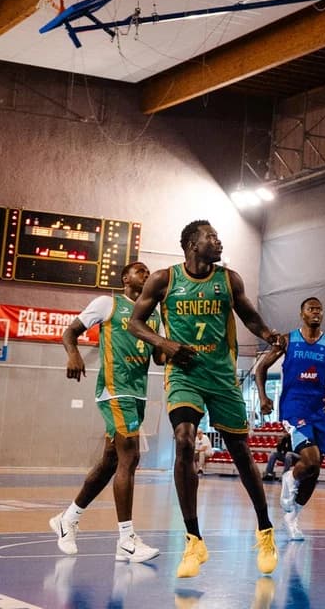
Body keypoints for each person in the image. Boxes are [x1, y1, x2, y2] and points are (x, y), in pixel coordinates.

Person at [128, 220, 283, 578]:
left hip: (222, 376)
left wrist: (269, 334)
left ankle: (265, 529)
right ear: (192, 245)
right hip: (184, 374)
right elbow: (135, 323)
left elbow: (250, 316)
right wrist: (164, 344)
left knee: (241, 453)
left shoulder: (229, 280)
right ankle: (193, 540)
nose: (219, 242)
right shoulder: (164, 280)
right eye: (211, 237)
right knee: (184, 440)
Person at [50, 261, 163, 563]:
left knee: (110, 462)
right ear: (126, 278)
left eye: (148, 272)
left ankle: (67, 519)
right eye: (140, 271)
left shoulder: (153, 314)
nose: (146, 275)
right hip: (115, 390)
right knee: (131, 456)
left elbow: (160, 357)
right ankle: (126, 539)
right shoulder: (107, 303)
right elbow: (70, 332)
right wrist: (73, 354)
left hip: (138, 393)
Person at [254, 296, 325, 542]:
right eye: (311, 309)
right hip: (294, 407)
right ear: (301, 314)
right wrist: (263, 396)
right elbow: (261, 368)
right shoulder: (288, 340)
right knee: (310, 459)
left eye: (319, 309)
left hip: (320, 410)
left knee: (314, 470)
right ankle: (290, 477)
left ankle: (293, 517)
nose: (316, 312)